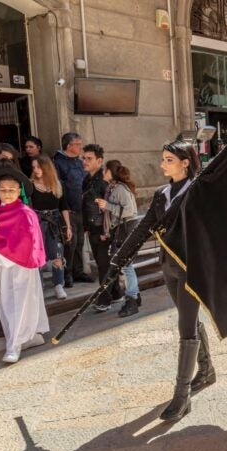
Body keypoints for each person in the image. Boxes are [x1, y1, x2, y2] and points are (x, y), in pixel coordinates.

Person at [111, 140, 215, 423]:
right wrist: (118, 259)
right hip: (168, 267)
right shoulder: (161, 193)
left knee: (185, 328)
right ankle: (206, 370)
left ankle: (182, 396)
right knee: (187, 318)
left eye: (169, 159)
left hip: (191, 268)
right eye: (163, 159)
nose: (163, 164)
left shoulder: (199, 190)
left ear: (185, 162)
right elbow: (144, 228)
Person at [0, 161, 48, 363]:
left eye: (11, 190)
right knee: (6, 304)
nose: (7, 193)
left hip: (20, 265)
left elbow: (27, 241)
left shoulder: (25, 213)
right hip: (1, 267)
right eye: (3, 190)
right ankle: (25, 337)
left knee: (22, 302)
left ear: (19, 190)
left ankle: (14, 344)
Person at [97, 160, 141, 317]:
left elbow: (128, 210)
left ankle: (132, 299)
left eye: (105, 170)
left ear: (111, 172)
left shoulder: (120, 189)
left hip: (127, 228)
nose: (103, 173)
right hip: (122, 229)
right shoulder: (113, 188)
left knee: (127, 265)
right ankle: (136, 296)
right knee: (126, 265)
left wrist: (106, 205)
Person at [82, 144, 121, 312]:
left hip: (103, 231)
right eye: (84, 158)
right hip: (93, 229)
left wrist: (107, 231)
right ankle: (117, 293)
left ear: (99, 161)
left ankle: (104, 300)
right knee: (102, 264)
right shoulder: (86, 180)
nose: (85, 161)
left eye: (89, 158)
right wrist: (86, 226)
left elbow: (112, 208)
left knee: (104, 267)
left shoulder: (104, 182)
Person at [30, 154, 72, 300]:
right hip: (37, 223)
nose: (36, 169)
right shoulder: (30, 185)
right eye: (34, 167)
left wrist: (68, 226)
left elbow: (64, 207)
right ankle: (39, 285)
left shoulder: (56, 184)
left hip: (54, 223)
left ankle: (58, 285)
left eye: (39, 166)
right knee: (37, 256)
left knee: (58, 254)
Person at [54, 132, 93, 287]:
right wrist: (64, 207)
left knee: (80, 242)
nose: (80, 147)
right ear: (69, 146)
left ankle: (78, 271)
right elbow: (58, 187)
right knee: (69, 242)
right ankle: (67, 273)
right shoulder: (57, 162)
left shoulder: (80, 161)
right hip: (67, 209)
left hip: (81, 208)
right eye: (77, 144)